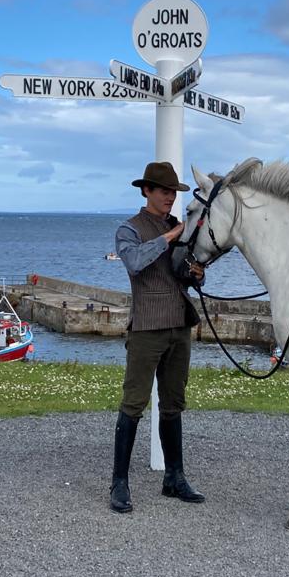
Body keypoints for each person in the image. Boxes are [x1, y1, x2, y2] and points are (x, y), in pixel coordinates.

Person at [109, 161, 207, 514]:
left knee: (173, 404)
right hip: (147, 327)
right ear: (146, 191)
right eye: (164, 191)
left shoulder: (178, 228)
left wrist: (196, 273)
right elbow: (134, 263)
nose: (169, 198)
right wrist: (170, 237)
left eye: (173, 192)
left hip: (179, 324)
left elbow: (185, 275)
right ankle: (119, 483)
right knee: (133, 403)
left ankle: (174, 477)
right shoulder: (129, 229)